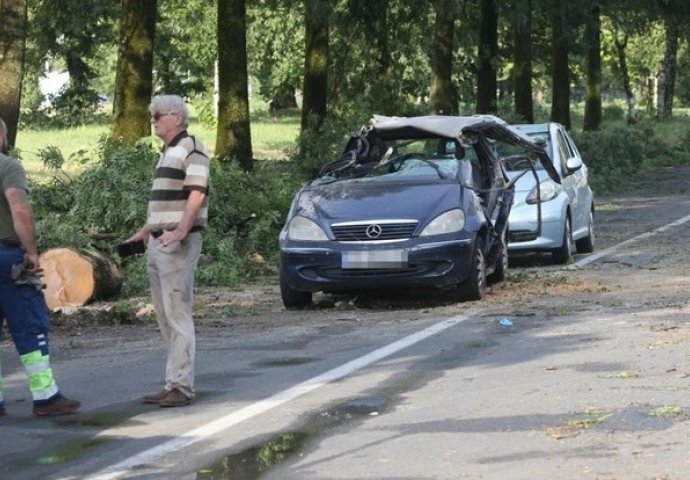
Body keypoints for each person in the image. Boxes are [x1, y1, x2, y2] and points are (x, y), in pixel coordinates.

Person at [125, 95, 210, 408]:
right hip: (159, 241)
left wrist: (181, 231)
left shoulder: (192, 146)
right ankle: (173, 382)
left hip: (176, 243)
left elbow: (197, 193)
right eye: (152, 115)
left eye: (158, 114)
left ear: (176, 116)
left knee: (177, 313)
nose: (153, 119)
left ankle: (182, 387)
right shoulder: (168, 152)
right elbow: (165, 201)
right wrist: (146, 230)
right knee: (165, 316)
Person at [0, 118, 80, 416]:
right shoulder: (7, 166)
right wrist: (31, 252)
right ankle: (45, 395)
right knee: (30, 326)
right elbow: (19, 209)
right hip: (7, 257)